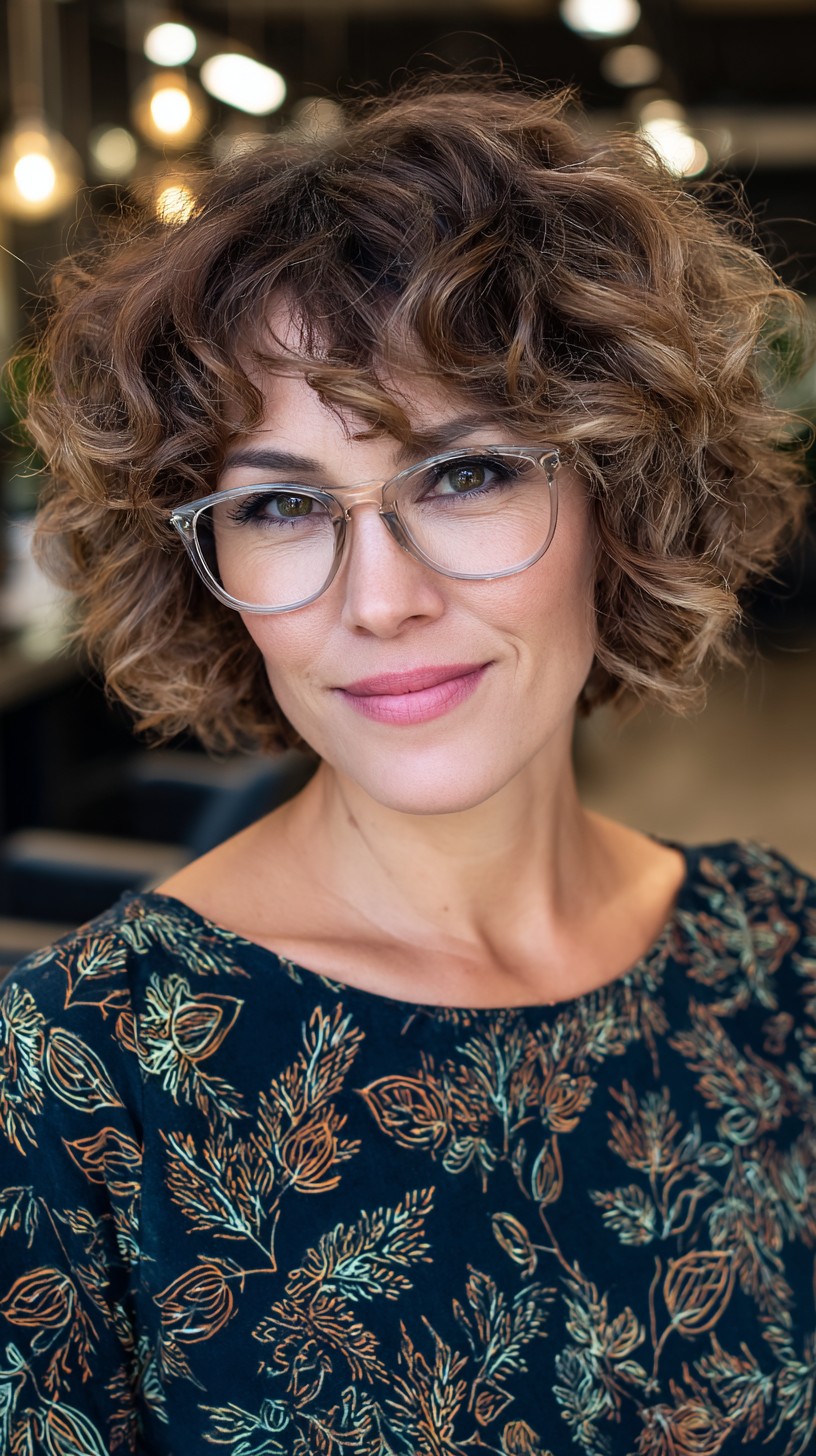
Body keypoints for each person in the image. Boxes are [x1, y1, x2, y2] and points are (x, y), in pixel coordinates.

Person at [0, 74, 814, 1456]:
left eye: (466, 473)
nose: (378, 600)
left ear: (617, 492)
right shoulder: (82, 1080)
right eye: (280, 504)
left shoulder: (775, 963)